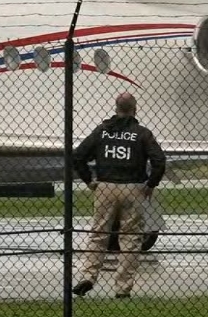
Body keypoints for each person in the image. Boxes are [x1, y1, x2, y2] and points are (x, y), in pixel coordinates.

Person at [70, 92, 166, 298]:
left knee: (98, 234)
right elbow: (159, 160)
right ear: (135, 109)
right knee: (131, 238)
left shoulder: (102, 132)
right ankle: (123, 288)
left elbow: (78, 156)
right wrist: (151, 184)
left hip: (105, 187)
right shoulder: (142, 134)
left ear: (116, 108)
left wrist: (90, 180)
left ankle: (88, 275)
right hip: (133, 187)